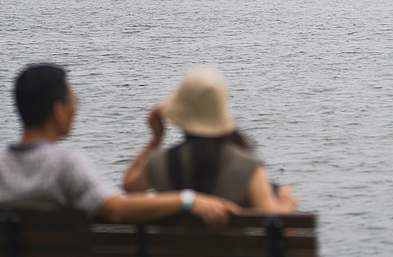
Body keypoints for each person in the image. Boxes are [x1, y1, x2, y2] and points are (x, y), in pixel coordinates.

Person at [0, 64, 240, 225]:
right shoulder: (66, 164)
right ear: (58, 111)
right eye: (74, 102)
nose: (75, 110)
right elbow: (117, 210)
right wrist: (187, 199)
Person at [123, 68, 299, 213]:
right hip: (233, 255)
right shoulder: (248, 166)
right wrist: (286, 205)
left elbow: (130, 186)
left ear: (180, 114)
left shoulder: (158, 162)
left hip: (173, 255)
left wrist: (156, 138)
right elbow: (272, 221)